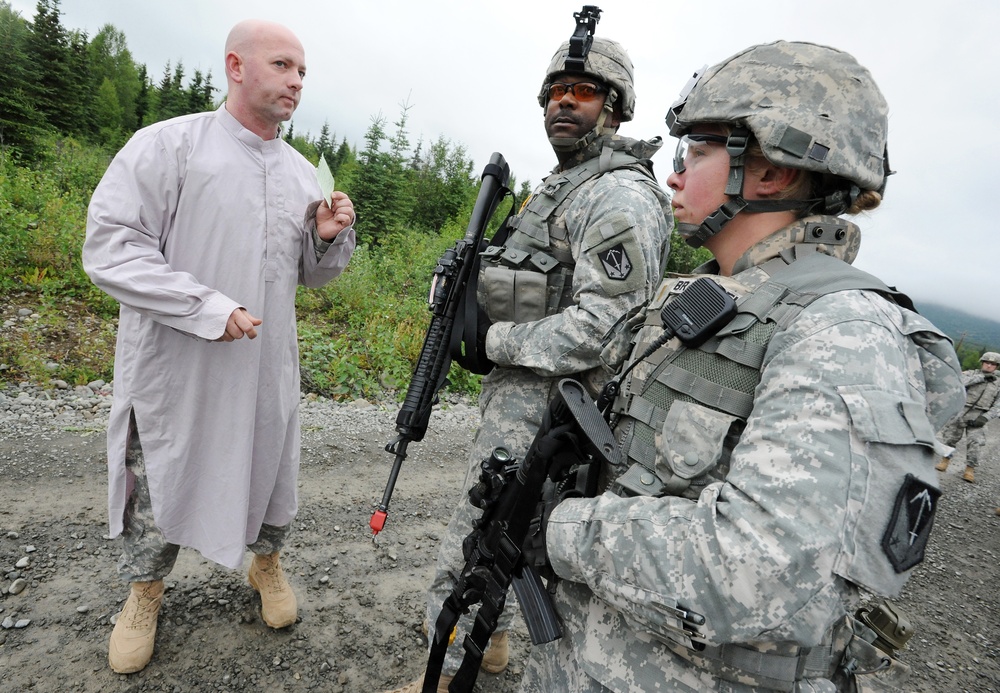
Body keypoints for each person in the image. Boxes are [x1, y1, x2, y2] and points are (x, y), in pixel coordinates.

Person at [518, 41, 965, 692]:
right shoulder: (715, 299)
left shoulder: (843, 332)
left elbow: (760, 569)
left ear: (769, 173)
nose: (673, 176)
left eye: (694, 151)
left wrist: (560, 529)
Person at [384, 34, 673, 693]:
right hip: (524, 412)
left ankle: (444, 672)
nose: (564, 103)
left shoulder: (618, 198)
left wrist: (493, 342)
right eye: (554, 93)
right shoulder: (563, 188)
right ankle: (491, 641)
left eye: (584, 92)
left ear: (617, 108)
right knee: (510, 545)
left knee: (474, 550)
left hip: (552, 419)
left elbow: (606, 329)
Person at [82, 19, 356, 674]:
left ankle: (267, 564)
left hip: (264, 366)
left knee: (268, 462)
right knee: (162, 467)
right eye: (283, 65)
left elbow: (315, 277)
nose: (295, 82)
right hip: (178, 365)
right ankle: (145, 590)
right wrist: (206, 306)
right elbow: (111, 248)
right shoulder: (169, 147)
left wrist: (323, 237)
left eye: (302, 73)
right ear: (236, 66)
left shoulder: (299, 173)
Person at [936, 351, 1000, 482]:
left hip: (979, 415)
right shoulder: (971, 374)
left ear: (996, 367)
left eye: (993, 364)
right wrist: (982, 378)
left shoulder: (998, 383)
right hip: (961, 410)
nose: (989, 366)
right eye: (987, 362)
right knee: (950, 438)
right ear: (982, 363)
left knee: (975, 443)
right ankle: (945, 461)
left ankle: (970, 469)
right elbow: (959, 383)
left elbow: (998, 405)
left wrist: (985, 418)